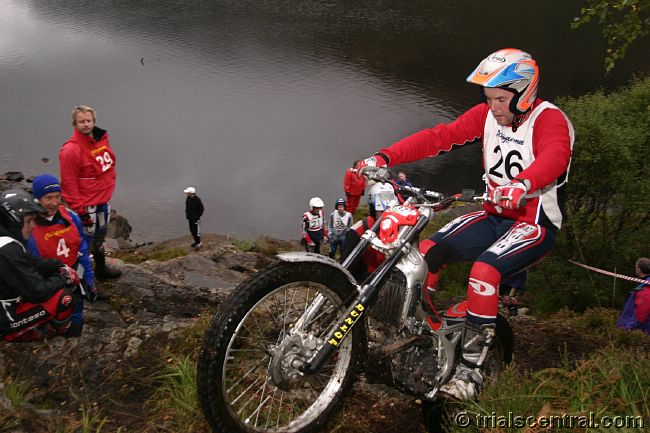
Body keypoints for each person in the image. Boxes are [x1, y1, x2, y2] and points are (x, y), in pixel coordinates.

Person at [357, 48, 574, 399]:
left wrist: (522, 185)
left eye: (501, 99)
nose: (494, 107)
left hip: (535, 222)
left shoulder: (549, 119)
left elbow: (555, 156)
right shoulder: (487, 115)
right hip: (493, 215)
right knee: (425, 254)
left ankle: (470, 371)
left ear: (524, 93)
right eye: (488, 98)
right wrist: (384, 157)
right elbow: (439, 137)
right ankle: (420, 336)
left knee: (484, 273)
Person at [0, 189, 77, 342]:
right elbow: (38, 291)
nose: (33, 226)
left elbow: (31, 262)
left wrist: (58, 265)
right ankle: (55, 337)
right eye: (29, 221)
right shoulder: (8, 251)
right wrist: (64, 278)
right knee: (65, 297)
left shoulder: (6, 239)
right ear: (15, 221)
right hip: (4, 318)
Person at [27, 174, 97, 337]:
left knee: (76, 307)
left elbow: (82, 248)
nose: (54, 203)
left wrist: (89, 278)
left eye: (57, 197)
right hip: (47, 278)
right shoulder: (29, 225)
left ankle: (74, 336)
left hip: (72, 271)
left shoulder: (71, 217)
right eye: (48, 198)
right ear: (37, 199)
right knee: (52, 313)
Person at [59, 105, 121, 280]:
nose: (86, 124)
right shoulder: (70, 150)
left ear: (94, 121)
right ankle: (80, 280)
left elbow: (108, 166)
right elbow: (69, 183)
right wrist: (79, 210)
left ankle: (100, 269)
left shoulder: (100, 140)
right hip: (86, 205)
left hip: (102, 200)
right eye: (81, 121)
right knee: (83, 244)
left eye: (89, 121)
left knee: (99, 238)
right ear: (75, 123)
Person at [616, 257, 650, 334]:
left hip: (637, 332)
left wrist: (628, 327)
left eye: (636, 266)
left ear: (639, 269)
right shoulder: (642, 284)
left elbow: (641, 313)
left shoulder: (645, 287)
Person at [184, 186, 204, 250]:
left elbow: (201, 209)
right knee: (192, 230)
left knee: (196, 231)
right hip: (190, 218)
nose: (186, 193)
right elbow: (187, 207)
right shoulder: (188, 198)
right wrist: (187, 215)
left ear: (191, 193)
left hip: (195, 219)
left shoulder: (197, 199)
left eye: (187, 192)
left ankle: (199, 243)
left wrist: (197, 217)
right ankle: (196, 241)